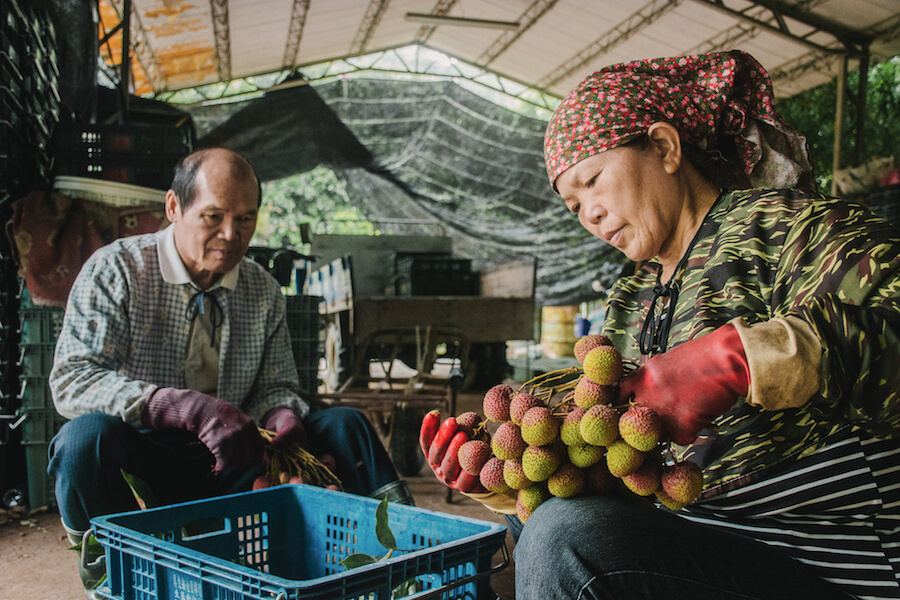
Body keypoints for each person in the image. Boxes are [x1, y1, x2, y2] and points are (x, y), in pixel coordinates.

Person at [422, 51, 900, 599]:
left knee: (561, 537)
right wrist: (509, 477)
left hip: (827, 563)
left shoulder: (790, 230)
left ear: (666, 147)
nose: (590, 215)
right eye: (574, 206)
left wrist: (748, 359)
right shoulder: (629, 303)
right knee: (539, 520)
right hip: (701, 547)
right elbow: (613, 468)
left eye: (594, 180)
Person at [48, 147, 411, 596]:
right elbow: (73, 379)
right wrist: (181, 407)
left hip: (236, 461)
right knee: (84, 441)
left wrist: (282, 415)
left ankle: (407, 564)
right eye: (213, 216)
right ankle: (112, 580)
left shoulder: (262, 289)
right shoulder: (117, 270)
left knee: (345, 424)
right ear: (174, 207)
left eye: (245, 219)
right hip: (146, 465)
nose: (230, 235)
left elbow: (277, 384)